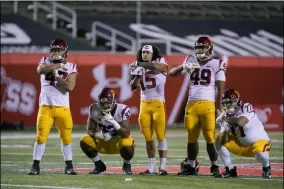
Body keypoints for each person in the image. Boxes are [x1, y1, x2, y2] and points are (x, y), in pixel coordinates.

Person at [169, 36, 227, 176]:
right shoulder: (190, 60)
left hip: (208, 104)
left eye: (203, 47)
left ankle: (214, 166)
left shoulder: (217, 63)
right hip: (191, 105)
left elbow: (220, 88)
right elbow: (171, 73)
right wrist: (183, 66)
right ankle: (191, 166)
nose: (200, 50)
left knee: (209, 137)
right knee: (191, 137)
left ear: (210, 48)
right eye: (198, 47)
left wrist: (219, 109)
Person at [28, 39, 78, 175]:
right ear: (51, 50)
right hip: (46, 106)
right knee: (41, 137)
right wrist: (58, 66)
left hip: (63, 108)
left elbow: (70, 87)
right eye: (54, 49)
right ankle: (35, 166)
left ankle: (69, 166)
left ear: (65, 51)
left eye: (59, 50)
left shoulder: (72, 66)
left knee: (66, 138)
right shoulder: (44, 60)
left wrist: (58, 77)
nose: (56, 52)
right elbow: (41, 70)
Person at [214, 89, 272, 179]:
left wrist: (226, 120)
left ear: (236, 100)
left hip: (260, 143)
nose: (227, 105)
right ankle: (230, 169)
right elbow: (222, 141)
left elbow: (241, 122)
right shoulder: (225, 116)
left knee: (260, 153)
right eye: (225, 103)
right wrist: (225, 127)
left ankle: (266, 167)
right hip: (242, 146)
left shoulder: (245, 107)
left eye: (230, 102)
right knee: (217, 140)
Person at [129, 45, 168, 175]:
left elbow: (162, 68)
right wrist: (137, 76)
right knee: (148, 137)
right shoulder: (137, 65)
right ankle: (152, 168)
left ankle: (163, 167)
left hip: (158, 103)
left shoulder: (160, 61)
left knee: (161, 136)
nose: (145, 54)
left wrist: (141, 65)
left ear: (153, 54)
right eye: (143, 52)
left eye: (148, 52)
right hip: (144, 103)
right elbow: (133, 87)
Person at [80, 88, 134, 175]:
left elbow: (126, 134)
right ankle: (99, 165)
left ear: (114, 101)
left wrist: (113, 122)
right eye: (103, 103)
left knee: (127, 142)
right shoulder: (94, 108)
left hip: (118, 143)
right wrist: (99, 135)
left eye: (108, 102)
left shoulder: (122, 109)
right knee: (84, 140)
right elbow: (90, 130)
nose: (106, 105)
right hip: (104, 141)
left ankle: (127, 165)